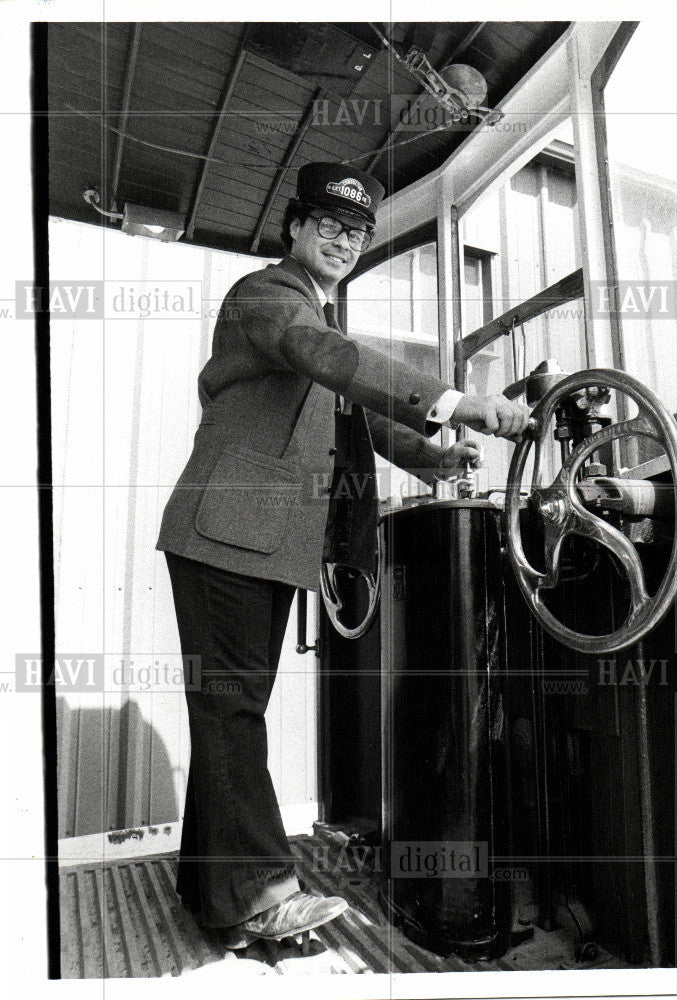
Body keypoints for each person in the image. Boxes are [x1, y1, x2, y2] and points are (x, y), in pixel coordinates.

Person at [156, 161, 531, 949]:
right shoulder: (269, 298)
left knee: (231, 713)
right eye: (328, 224)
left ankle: (210, 889)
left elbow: (347, 409)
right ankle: (259, 893)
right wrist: (459, 401)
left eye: (358, 231)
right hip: (228, 534)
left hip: (256, 542)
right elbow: (336, 362)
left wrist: (436, 457)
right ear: (293, 227)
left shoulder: (310, 328)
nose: (344, 240)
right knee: (230, 713)